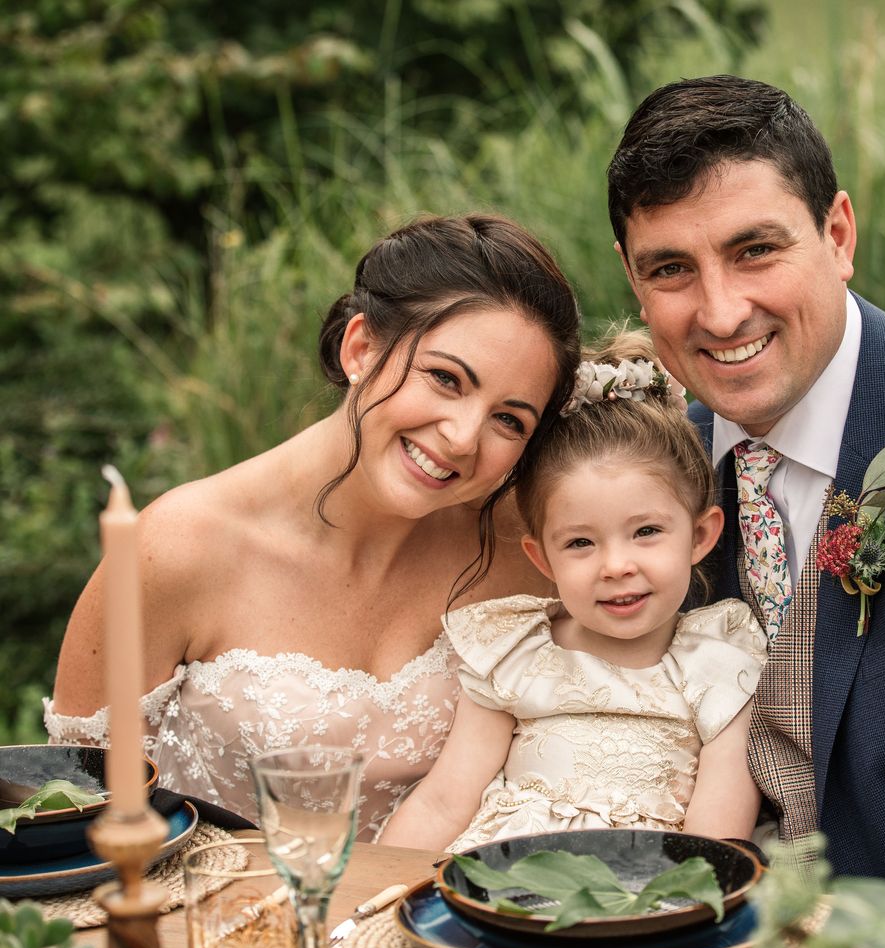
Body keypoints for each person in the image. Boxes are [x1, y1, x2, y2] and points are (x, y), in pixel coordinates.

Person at [46, 214, 581, 839]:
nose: (464, 438)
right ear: (361, 348)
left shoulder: (531, 555)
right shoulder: (177, 547)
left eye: (509, 420)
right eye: (445, 378)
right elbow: (73, 816)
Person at [606, 74, 885, 880]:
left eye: (755, 250)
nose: (721, 313)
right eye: (671, 268)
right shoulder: (653, 467)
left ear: (839, 234)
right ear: (632, 281)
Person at [380, 331, 767, 852]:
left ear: (700, 536)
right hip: (505, 878)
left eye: (646, 532)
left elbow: (716, 836)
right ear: (543, 558)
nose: (616, 567)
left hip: (649, 883)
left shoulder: (719, 660)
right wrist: (376, 887)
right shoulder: (516, 652)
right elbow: (444, 802)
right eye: (581, 542)